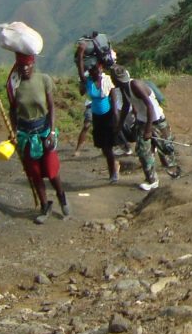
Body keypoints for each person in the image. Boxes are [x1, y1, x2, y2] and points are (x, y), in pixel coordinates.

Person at [10, 54, 70, 223]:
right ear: (17, 67)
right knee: (34, 172)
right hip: (26, 134)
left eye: (28, 65)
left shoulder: (44, 80)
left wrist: (51, 132)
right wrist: (14, 131)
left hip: (44, 130)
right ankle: (45, 206)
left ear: (33, 64)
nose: (25, 69)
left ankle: (61, 196)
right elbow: (12, 110)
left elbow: (51, 107)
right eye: (22, 66)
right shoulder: (15, 85)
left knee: (51, 170)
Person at [112, 65, 180, 191]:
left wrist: (148, 129)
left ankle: (174, 171)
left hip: (157, 120)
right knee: (143, 151)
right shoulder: (123, 88)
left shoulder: (135, 85)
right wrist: (119, 125)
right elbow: (127, 105)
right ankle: (152, 179)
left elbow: (150, 106)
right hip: (142, 121)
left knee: (166, 148)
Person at [75, 37, 120, 183]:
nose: (95, 72)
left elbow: (114, 100)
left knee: (109, 148)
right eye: (92, 70)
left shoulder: (107, 80)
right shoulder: (88, 82)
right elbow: (80, 70)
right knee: (104, 148)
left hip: (108, 117)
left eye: (96, 69)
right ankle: (113, 171)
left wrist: (116, 119)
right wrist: (81, 53)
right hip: (97, 117)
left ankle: (114, 173)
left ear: (100, 68)